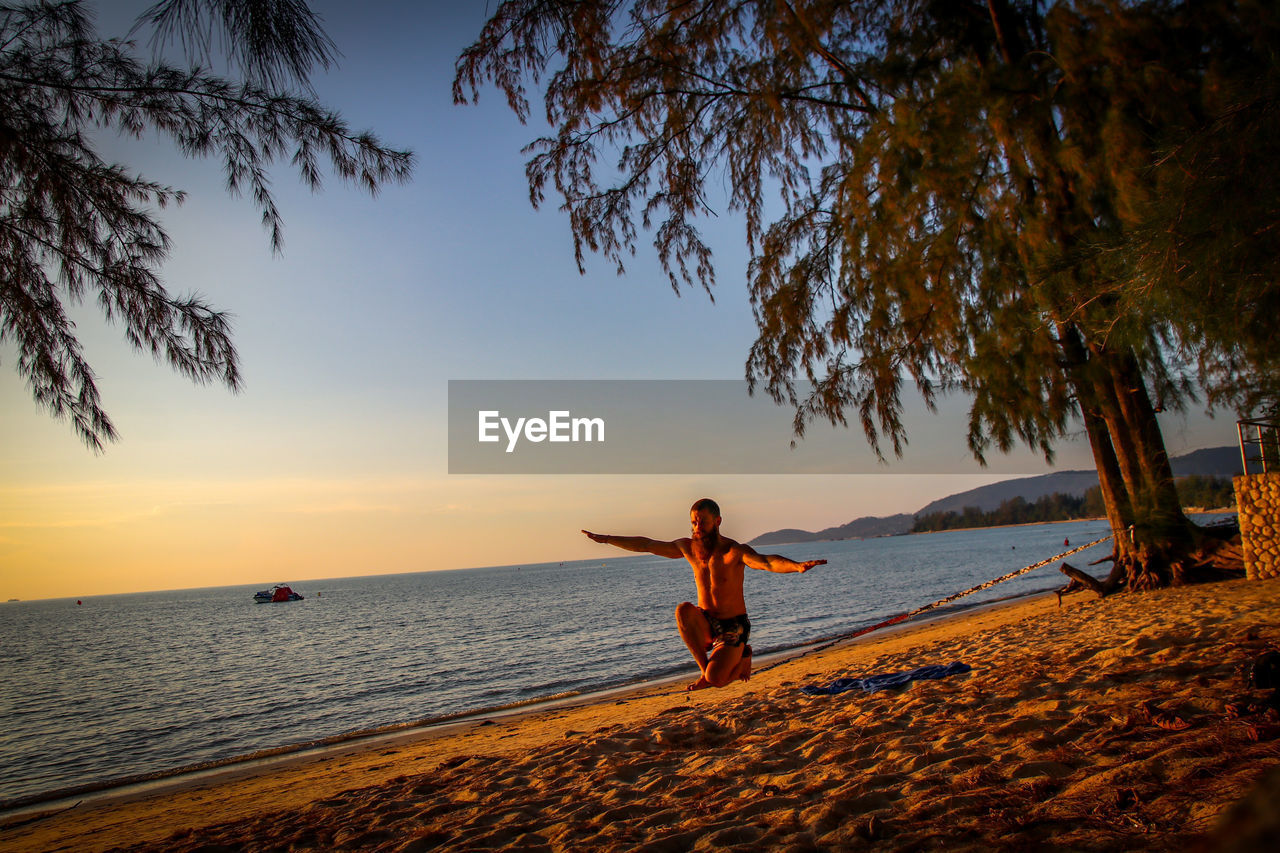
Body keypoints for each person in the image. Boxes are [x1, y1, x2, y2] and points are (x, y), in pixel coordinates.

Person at [582, 498, 826, 691]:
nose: (697, 527)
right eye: (694, 522)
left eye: (702, 522)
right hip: (707, 622)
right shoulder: (687, 548)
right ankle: (704, 672)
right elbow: (646, 544)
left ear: (717, 521)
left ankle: (743, 656)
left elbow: (766, 562)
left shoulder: (733, 551)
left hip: (733, 627)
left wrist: (797, 566)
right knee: (683, 611)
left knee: (718, 679)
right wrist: (607, 539)